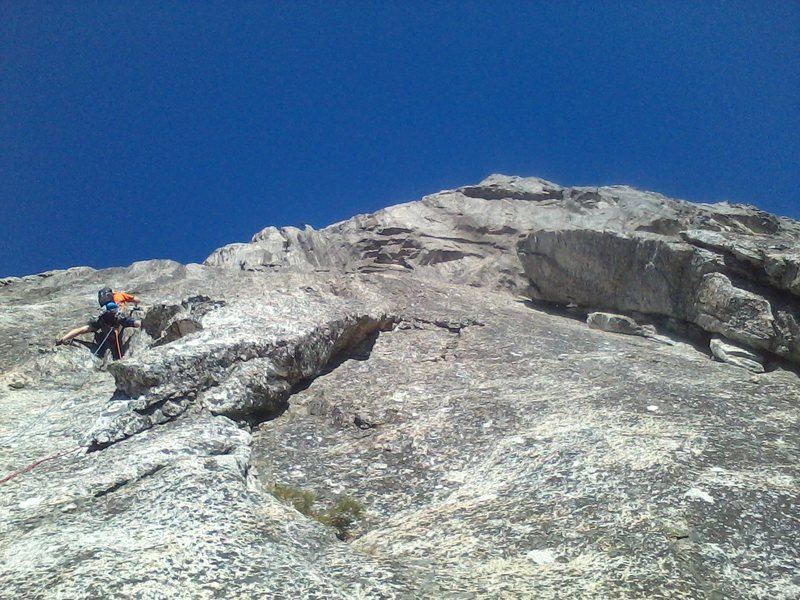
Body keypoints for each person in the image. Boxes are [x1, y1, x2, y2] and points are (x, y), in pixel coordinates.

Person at [56, 302, 142, 360]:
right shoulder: (120, 319)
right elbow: (136, 323)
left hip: (104, 338)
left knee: (85, 330)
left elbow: (81, 330)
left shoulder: (101, 320)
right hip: (113, 341)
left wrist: (63, 338)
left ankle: (63, 339)